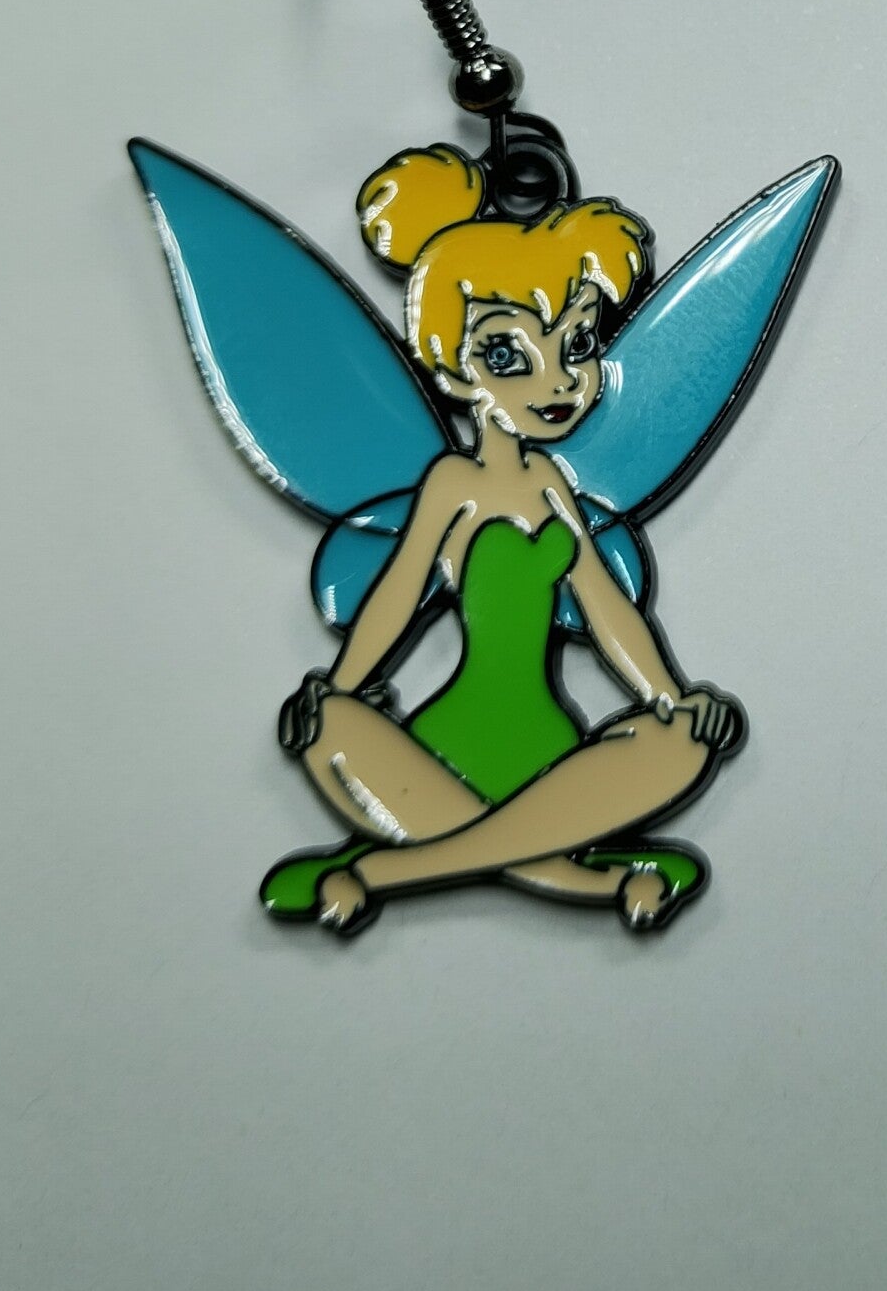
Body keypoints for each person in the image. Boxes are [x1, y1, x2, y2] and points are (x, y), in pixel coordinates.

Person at [261, 143, 741, 934]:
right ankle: (576, 872)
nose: (557, 380)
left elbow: (606, 608)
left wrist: (670, 697)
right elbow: (399, 596)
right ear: (451, 369)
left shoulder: (551, 484)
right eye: (508, 354)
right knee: (331, 731)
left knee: (685, 742)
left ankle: (386, 870)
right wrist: (339, 688)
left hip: (552, 749)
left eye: (576, 345)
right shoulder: (453, 483)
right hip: (440, 749)